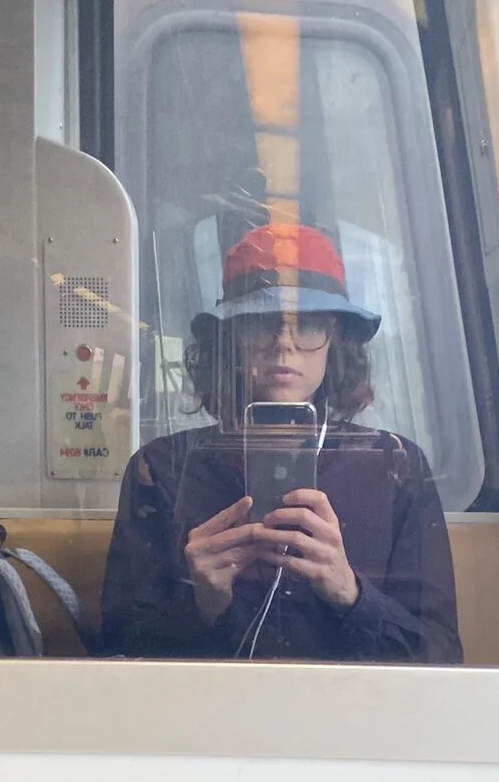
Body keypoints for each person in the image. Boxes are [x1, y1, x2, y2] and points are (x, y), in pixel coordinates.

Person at [101, 223, 462, 663]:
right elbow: (117, 654)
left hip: (356, 716)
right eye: (261, 325)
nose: (284, 345)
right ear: (229, 342)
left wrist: (350, 594)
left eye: (308, 325)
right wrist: (201, 608)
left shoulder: (394, 464)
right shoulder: (161, 468)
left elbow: (441, 656)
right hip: (208, 718)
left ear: (337, 343)